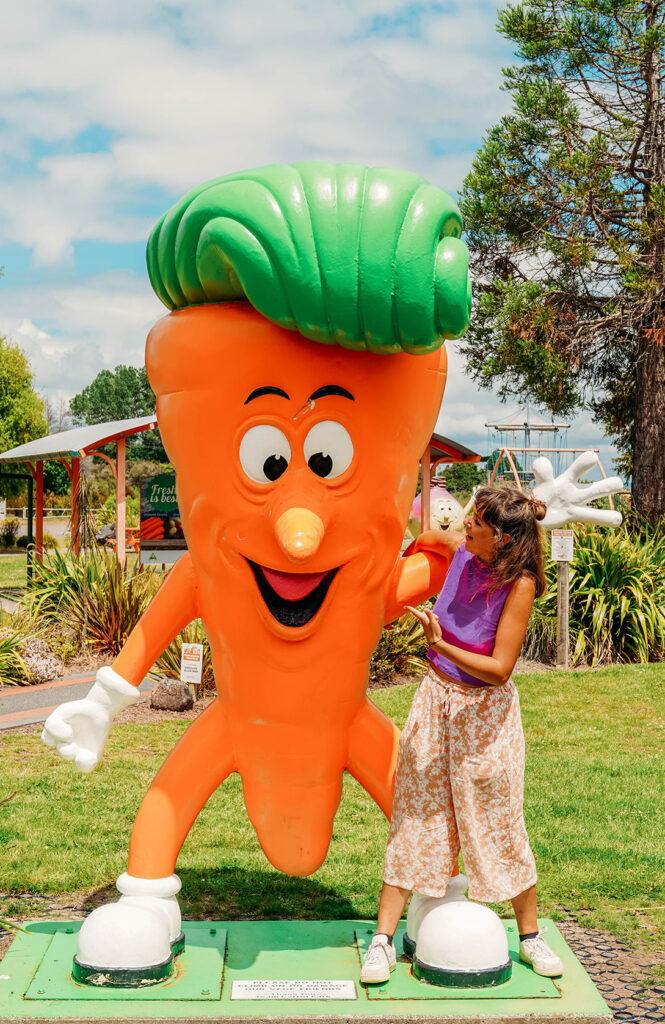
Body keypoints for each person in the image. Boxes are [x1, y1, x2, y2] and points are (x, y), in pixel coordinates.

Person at [360, 487, 564, 984]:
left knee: (498, 819)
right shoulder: (460, 552)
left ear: (502, 537)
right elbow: (432, 537)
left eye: (476, 522)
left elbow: (499, 669)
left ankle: (531, 937)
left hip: (485, 715)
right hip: (435, 701)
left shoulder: (521, 584)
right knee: (416, 813)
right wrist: (407, 552)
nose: (465, 525)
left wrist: (440, 645)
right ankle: (383, 942)